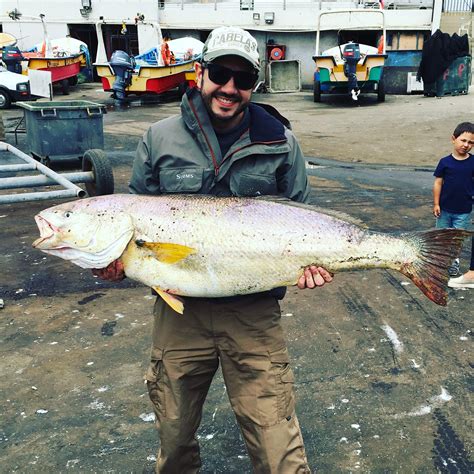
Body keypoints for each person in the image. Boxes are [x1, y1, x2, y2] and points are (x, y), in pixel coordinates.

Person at [94, 26, 333, 473]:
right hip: (178, 312)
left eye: (242, 80)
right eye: (220, 74)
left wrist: (310, 266)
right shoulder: (158, 138)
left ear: (254, 85)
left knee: (276, 441)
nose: (229, 89)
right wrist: (113, 264)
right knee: (174, 433)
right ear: (200, 73)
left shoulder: (281, 141)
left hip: (254, 313)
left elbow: (301, 218)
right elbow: (129, 221)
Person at [432, 121, 474, 276]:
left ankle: (453, 262)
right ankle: (438, 261)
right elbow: (438, 183)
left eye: (471, 142)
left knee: (456, 238)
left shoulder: (473, 162)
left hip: (463, 210)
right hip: (444, 209)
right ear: (453, 139)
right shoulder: (445, 162)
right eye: (463, 140)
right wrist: (436, 203)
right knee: (441, 236)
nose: (466, 145)